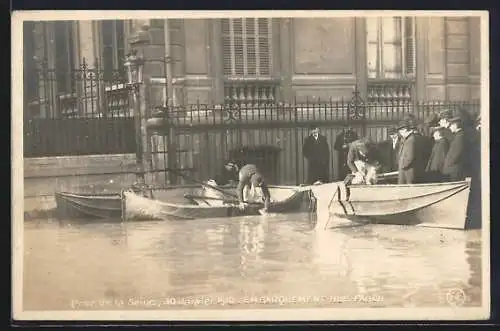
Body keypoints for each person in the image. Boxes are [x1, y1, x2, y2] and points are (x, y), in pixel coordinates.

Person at [397, 118, 427, 184]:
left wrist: (402, 165)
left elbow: (410, 157)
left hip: (408, 172)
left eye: (400, 131)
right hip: (406, 171)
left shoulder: (410, 140)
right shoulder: (408, 139)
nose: (400, 133)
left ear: (404, 130)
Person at [442, 116, 467, 181]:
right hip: (453, 169)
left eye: (451, 125)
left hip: (454, 170)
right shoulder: (458, 135)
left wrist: (447, 166)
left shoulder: (460, 137)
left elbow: (456, 155)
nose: (450, 127)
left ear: (455, 125)